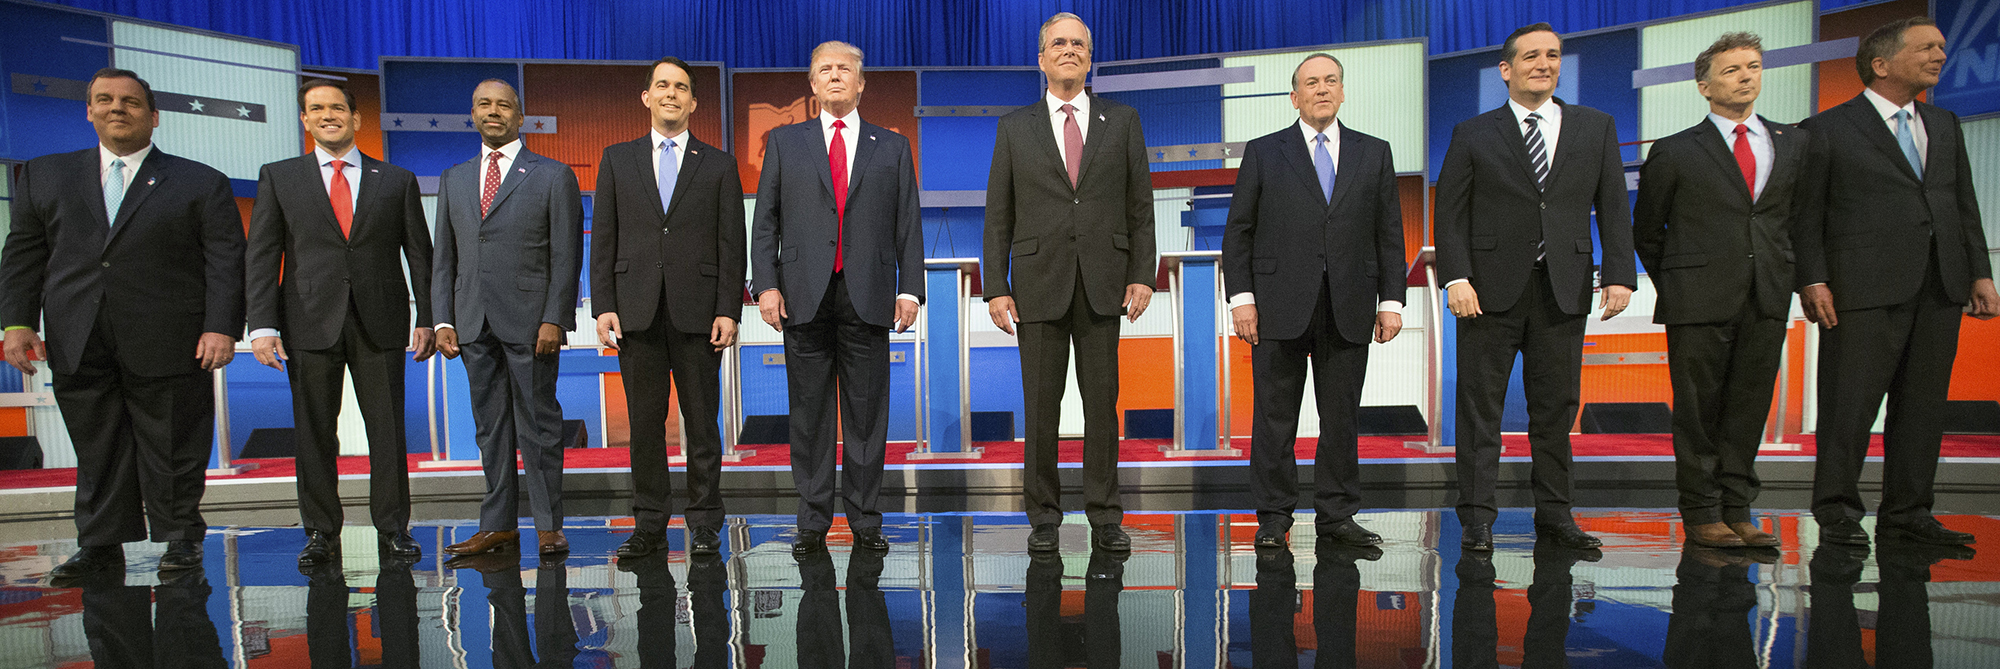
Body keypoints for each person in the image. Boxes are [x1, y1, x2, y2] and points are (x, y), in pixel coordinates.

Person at [1, 68, 243, 579]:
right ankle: (101, 545)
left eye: (131, 101)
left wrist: (221, 325)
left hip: (171, 338)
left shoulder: (200, 180)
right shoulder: (45, 174)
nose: (117, 108)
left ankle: (180, 539)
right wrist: (16, 323)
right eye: (104, 100)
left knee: (174, 442)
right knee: (97, 445)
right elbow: (23, 255)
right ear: (88, 111)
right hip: (76, 335)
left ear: (153, 117)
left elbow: (224, 261)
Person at [1795, 16, 1997, 547]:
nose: (1939, 55)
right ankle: (1837, 513)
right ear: (1882, 64)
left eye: (1942, 47)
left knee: (1924, 407)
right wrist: (1812, 279)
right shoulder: (1826, 129)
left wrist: (1979, 271)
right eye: (1927, 47)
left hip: (1940, 285)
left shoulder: (1946, 124)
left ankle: (1909, 515)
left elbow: (1961, 205)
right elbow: (1806, 216)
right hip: (1860, 290)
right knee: (1848, 407)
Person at [1435, 22, 1637, 552]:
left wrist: (1620, 273)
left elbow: (1614, 206)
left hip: (1564, 288)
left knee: (1556, 410)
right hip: (1486, 293)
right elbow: (1450, 214)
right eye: (1531, 56)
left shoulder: (1595, 126)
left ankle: (1556, 515)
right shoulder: (1473, 132)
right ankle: (1477, 519)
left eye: (1552, 55)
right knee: (1480, 412)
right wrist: (1456, 277)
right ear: (1507, 69)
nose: (1543, 64)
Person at [984, 12, 1157, 553]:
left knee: (1102, 405)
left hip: (1106, 283)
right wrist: (996, 285)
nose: (1069, 50)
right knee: (1041, 407)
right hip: (1037, 284)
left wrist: (1142, 275)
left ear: (1089, 56)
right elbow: (999, 214)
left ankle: (1106, 515)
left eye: (1078, 44)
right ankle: (1043, 517)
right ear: (1041, 58)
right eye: (1058, 43)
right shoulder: (1015, 127)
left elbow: (1140, 206)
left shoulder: (1122, 120)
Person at [1222, 52, 1407, 551]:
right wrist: (1242, 299)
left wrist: (1392, 301)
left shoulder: (1375, 153)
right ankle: (1274, 518)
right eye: (1311, 82)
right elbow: (1239, 232)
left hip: (1348, 303)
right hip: (1276, 304)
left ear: (1342, 91)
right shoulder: (1264, 151)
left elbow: (1390, 233)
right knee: (1274, 418)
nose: (1322, 89)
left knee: (1341, 417)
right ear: (1294, 96)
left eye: (1330, 81)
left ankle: (1337, 517)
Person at [246, 78, 434, 567]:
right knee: (313, 433)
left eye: (337, 108)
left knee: (388, 431)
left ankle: (393, 529)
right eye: (316, 109)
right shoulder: (279, 177)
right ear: (305, 120)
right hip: (307, 323)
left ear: (355, 118)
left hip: (381, 322)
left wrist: (430, 317)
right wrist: (261, 324)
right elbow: (263, 254)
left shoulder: (396, 180)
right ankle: (320, 534)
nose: (327, 115)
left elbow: (420, 255)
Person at [749, 41, 924, 557]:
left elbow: (907, 224)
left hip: (869, 295)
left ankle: (867, 518)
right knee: (808, 416)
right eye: (824, 69)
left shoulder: (891, 147)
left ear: (861, 82)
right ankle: (812, 521)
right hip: (803, 296)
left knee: (868, 417)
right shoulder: (784, 142)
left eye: (844, 70)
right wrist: (767, 285)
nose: (834, 77)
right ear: (811, 83)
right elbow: (766, 224)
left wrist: (909, 288)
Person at [1633, 33, 1806, 549]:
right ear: (1704, 86)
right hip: (1697, 300)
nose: (1746, 76)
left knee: (1749, 409)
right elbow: (1648, 231)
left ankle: (1739, 509)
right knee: (1699, 413)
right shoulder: (1675, 150)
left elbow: (1795, 220)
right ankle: (1703, 512)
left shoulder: (1791, 142)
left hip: (1767, 296)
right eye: (1732, 70)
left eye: (1753, 66)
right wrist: (1684, 282)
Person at [592, 57, 745, 559]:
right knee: (645, 425)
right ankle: (650, 523)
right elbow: (604, 239)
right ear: (647, 97)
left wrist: (729, 308)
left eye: (681, 87)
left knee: (702, 424)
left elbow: (731, 242)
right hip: (635, 311)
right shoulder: (616, 159)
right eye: (662, 86)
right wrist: (603, 306)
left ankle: (703, 524)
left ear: (694, 101)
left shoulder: (719, 163)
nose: (672, 94)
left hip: (700, 313)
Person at [432, 78, 584, 557]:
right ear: (473, 115)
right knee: (489, 428)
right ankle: (497, 524)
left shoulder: (552, 175)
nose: (493, 112)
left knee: (538, 426)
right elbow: (445, 257)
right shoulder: (453, 178)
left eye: (504, 105)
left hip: (530, 322)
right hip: (472, 321)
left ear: (521, 118)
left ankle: (548, 525)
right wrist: (442, 319)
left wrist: (554, 318)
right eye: (484, 104)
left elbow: (567, 255)